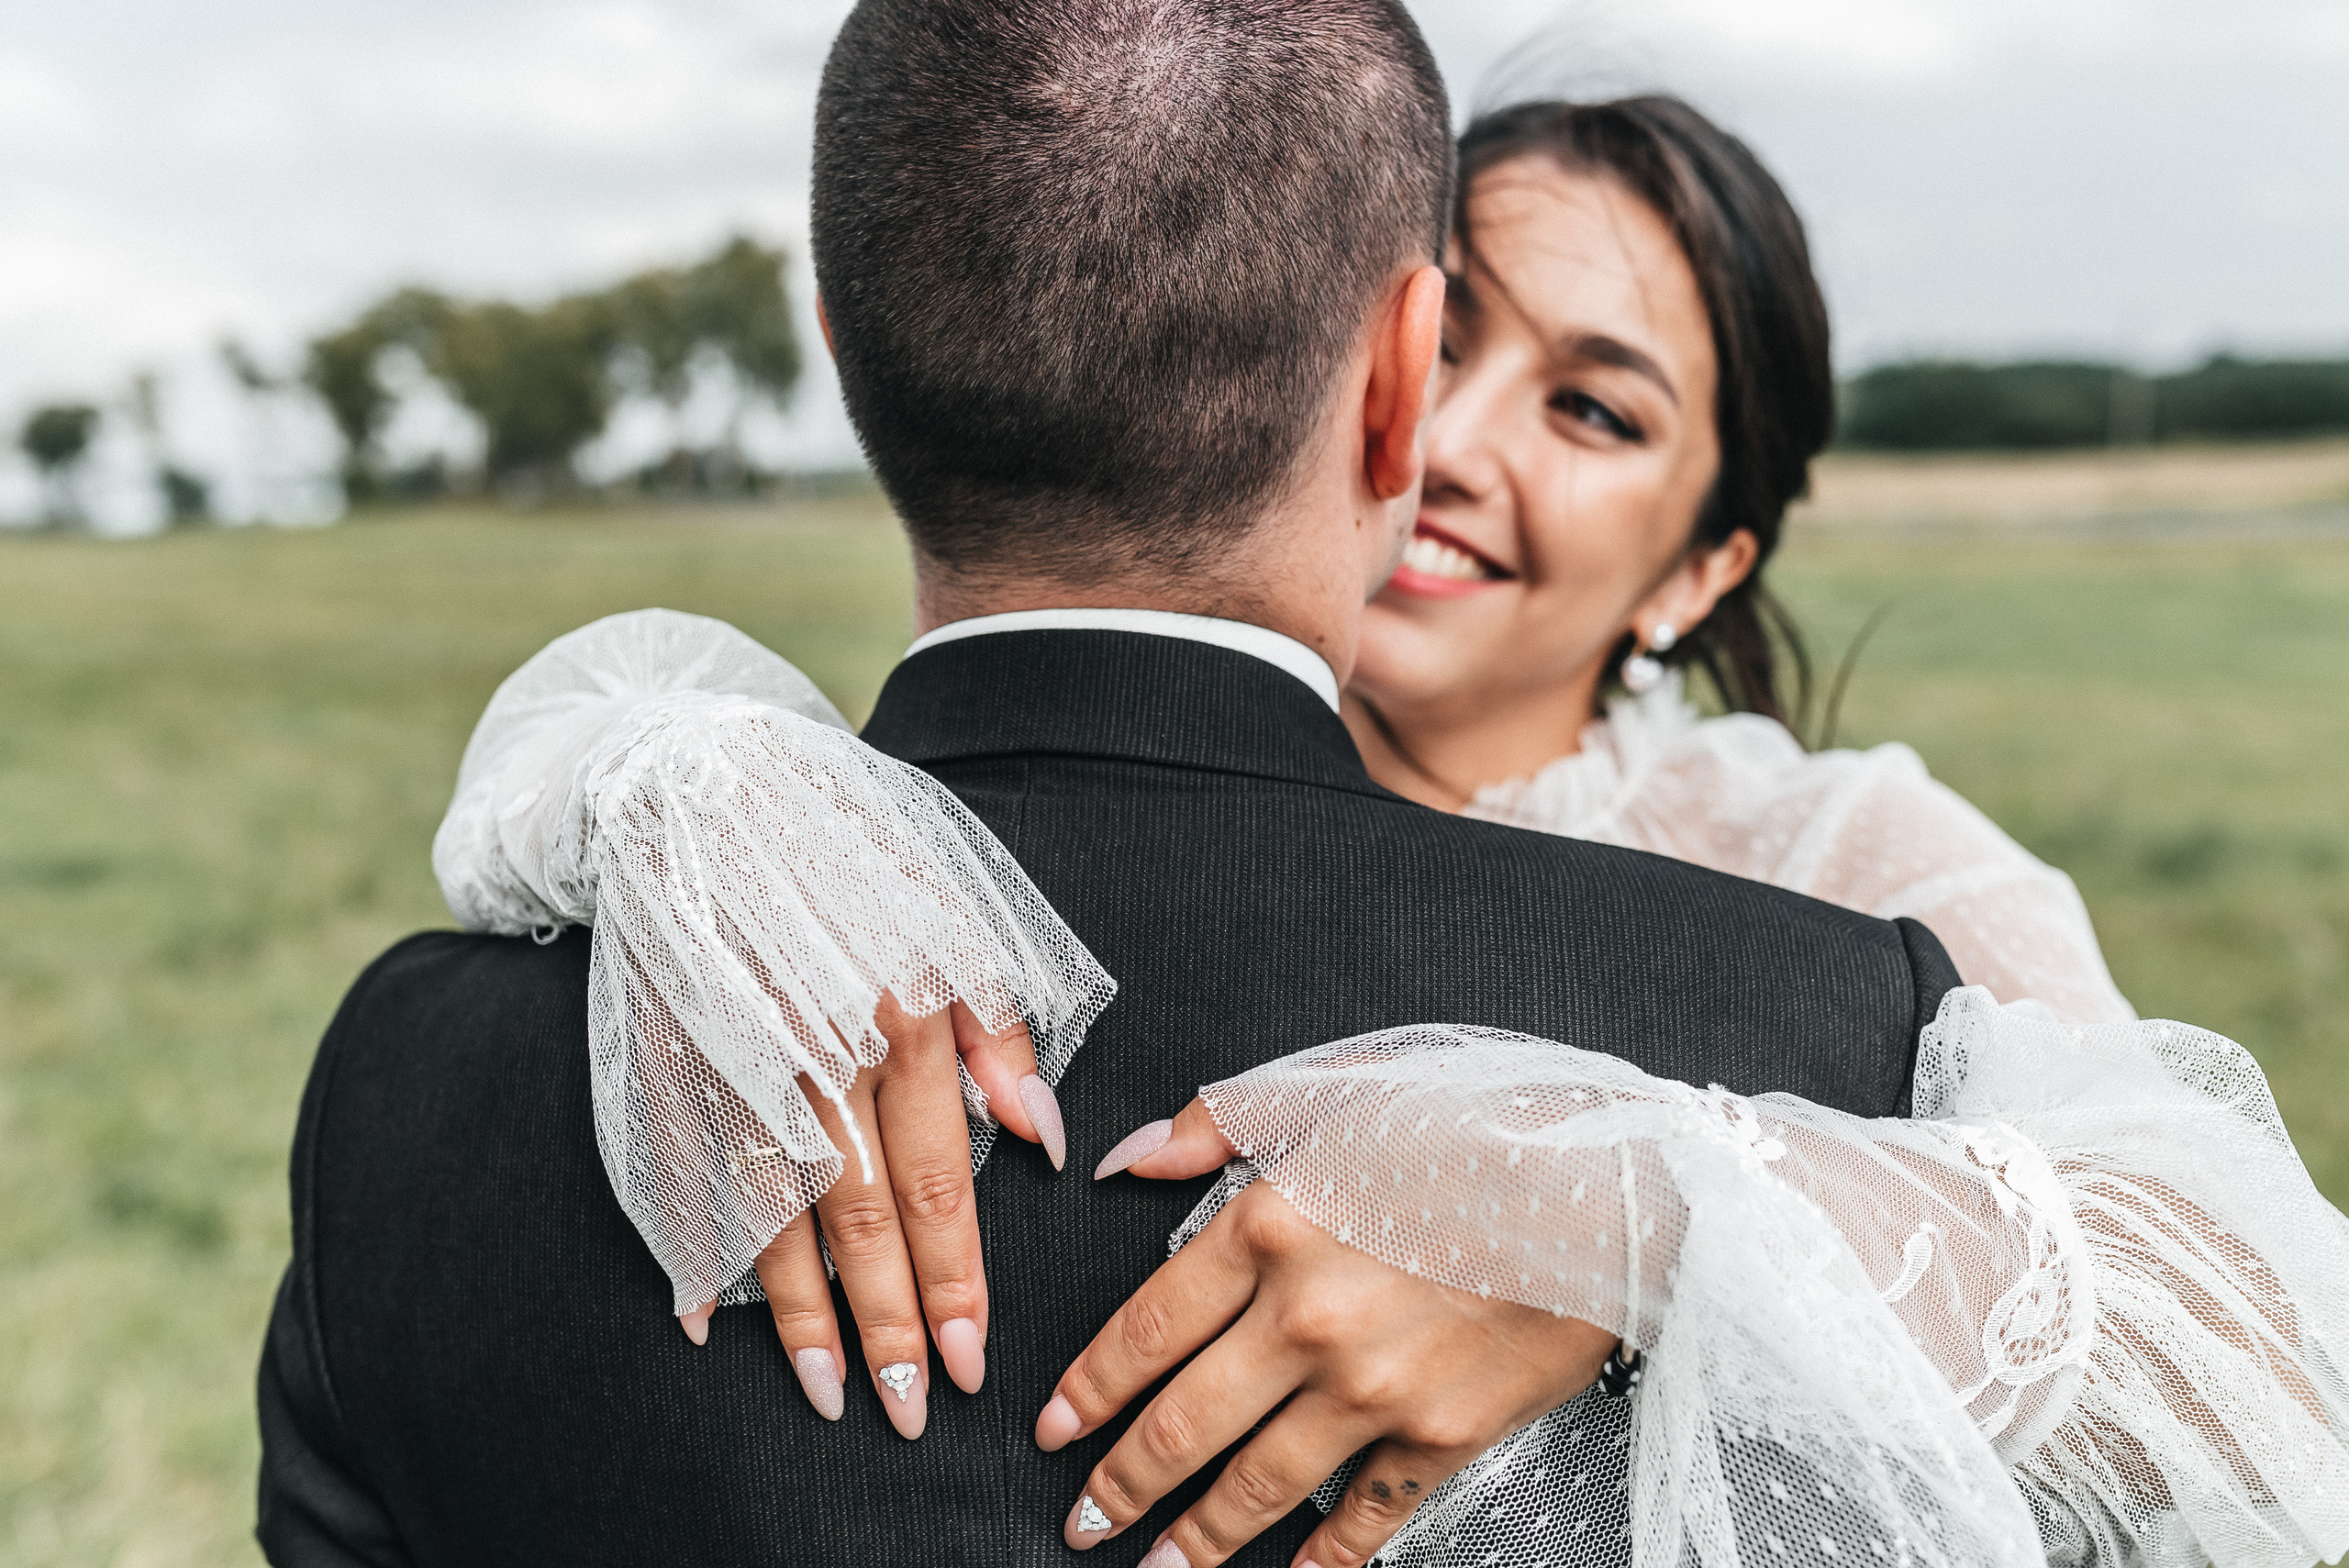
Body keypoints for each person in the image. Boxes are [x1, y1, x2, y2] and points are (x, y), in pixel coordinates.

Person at [255, 4, 1968, 1564]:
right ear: (1399, 379)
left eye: (1592, 405)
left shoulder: (414, 1083)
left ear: (846, 357)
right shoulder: (1832, 1048)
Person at [1341, 96, 2130, 1027]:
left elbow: (2174, 1172)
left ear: (1698, 572)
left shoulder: (1845, 867)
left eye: (1592, 409)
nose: (1449, 442)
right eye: (1436, 341)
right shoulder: (1141, 742)